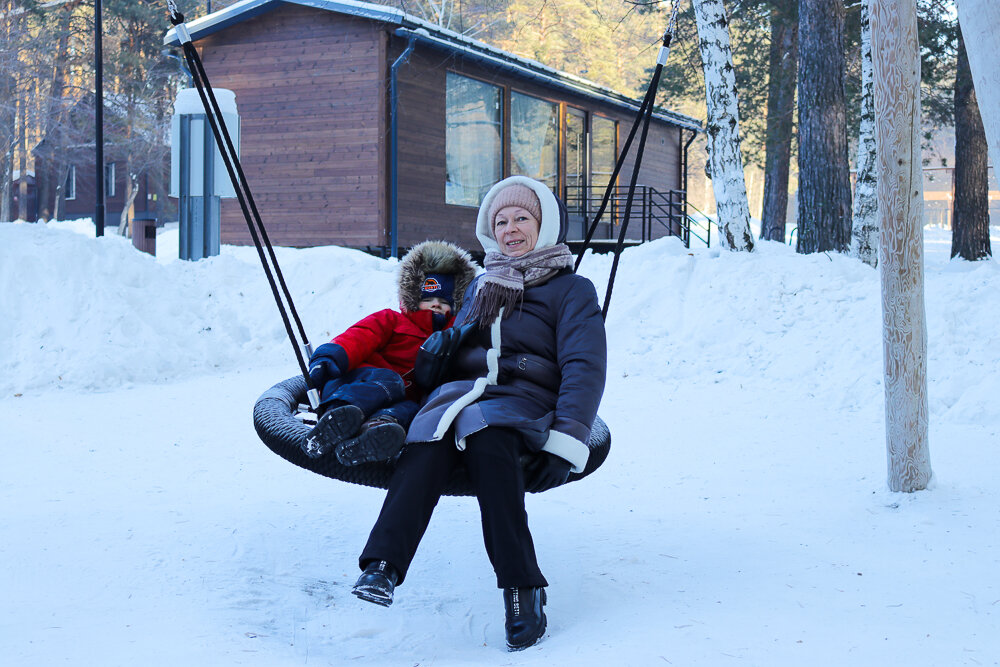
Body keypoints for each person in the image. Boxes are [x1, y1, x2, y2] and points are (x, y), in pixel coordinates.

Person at [352, 176, 607, 651]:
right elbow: (455, 361)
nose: (511, 229)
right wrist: (434, 360)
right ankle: (382, 566)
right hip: (459, 397)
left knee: (493, 446)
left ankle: (521, 588)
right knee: (425, 445)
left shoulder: (571, 290)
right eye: (502, 221)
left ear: (544, 224)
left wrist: (566, 441)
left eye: (522, 219)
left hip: (524, 401)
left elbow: (584, 368)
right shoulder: (482, 286)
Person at [303, 240, 477, 466]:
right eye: (428, 299)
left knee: (413, 409)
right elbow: (359, 337)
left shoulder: (453, 339)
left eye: (444, 301)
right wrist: (329, 358)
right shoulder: (392, 320)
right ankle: (337, 419)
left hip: (396, 401)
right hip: (358, 383)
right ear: (413, 298)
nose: (436, 305)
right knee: (391, 381)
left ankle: (374, 433)